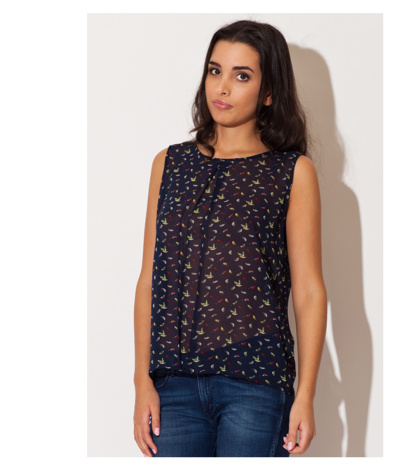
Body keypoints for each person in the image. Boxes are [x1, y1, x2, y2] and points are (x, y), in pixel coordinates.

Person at [133, 19, 327, 457]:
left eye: (242, 76)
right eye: (215, 70)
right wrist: (142, 380)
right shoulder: (169, 164)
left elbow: (310, 290)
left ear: (268, 91)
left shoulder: (291, 172)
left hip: (255, 385)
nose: (222, 87)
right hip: (173, 387)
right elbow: (149, 280)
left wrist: (306, 394)